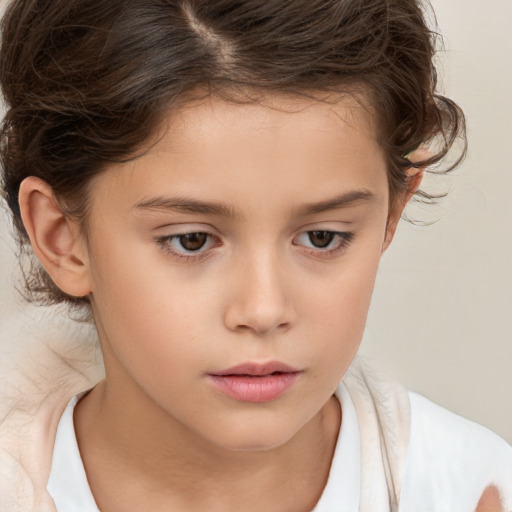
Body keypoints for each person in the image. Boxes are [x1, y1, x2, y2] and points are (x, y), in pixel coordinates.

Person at [0, 0, 510, 511]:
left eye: (323, 237)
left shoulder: (471, 490)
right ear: (61, 236)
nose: (264, 310)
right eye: (191, 240)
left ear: (391, 216)